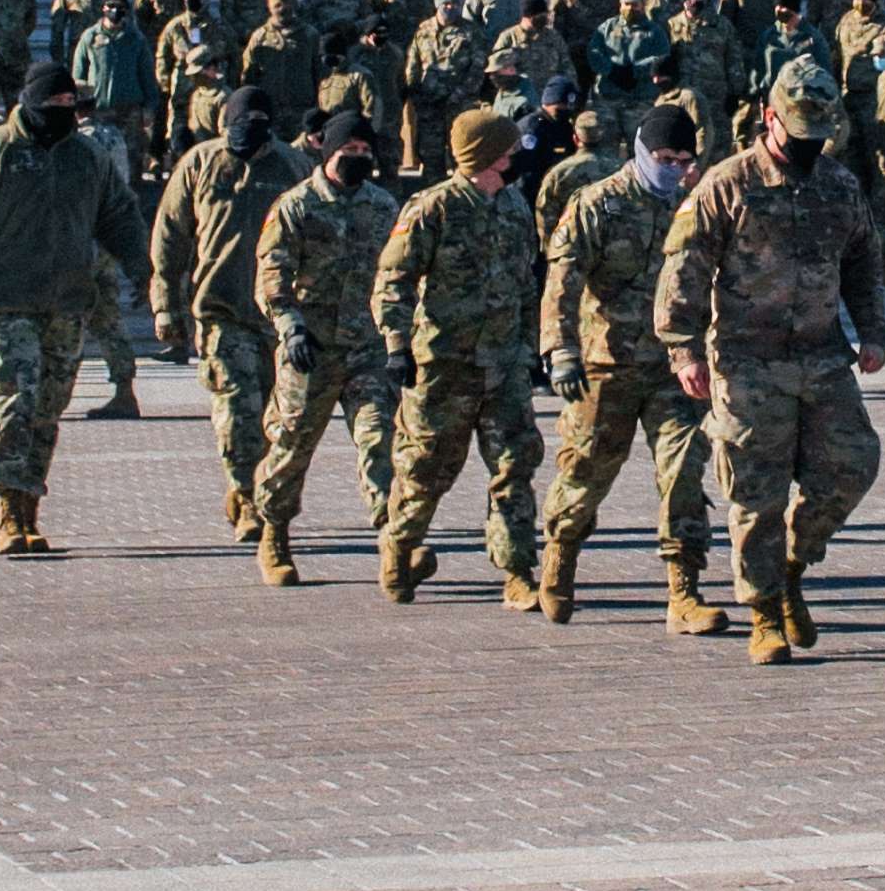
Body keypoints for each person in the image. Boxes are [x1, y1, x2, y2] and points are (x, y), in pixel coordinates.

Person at [658, 57, 885, 665]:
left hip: (821, 355)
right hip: (747, 359)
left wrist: (873, 331)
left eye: (821, 134)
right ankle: (764, 612)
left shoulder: (839, 184)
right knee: (754, 493)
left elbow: (864, 259)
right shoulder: (727, 183)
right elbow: (684, 268)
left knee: (855, 462)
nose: (811, 145)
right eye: (799, 132)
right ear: (769, 118)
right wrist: (683, 348)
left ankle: (794, 560)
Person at [0, 67, 136, 555]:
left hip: (68, 300)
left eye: (72, 102)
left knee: (48, 408)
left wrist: (144, 269)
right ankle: (8, 506)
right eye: (56, 103)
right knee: (14, 402)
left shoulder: (87, 158)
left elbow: (119, 214)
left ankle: (30, 505)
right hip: (9, 300)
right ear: (31, 103)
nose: (65, 112)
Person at [539, 93, 721, 629]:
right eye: (667, 162)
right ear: (642, 153)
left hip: (675, 368)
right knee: (586, 471)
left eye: (684, 163)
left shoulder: (695, 207)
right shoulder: (597, 203)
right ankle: (560, 559)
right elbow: (563, 280)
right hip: (606, 365)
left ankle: (684, 591)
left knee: (685, 470)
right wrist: (561, 351)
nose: (676, 171)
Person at [373, 106, 554, 607]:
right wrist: (396, 345)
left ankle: (517, 570)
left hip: (504, 365)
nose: (519, 155)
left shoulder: (516, 206)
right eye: (510, 148)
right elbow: (393, 281)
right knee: (425, 466)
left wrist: (531, 347)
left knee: (515, 465)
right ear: (488, 155)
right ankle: (400, 550)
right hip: (443, 367)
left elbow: (526, 285)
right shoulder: (432, 208)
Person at [249, 112, 399, 586]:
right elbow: (272, 272)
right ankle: (274, 531)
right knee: (292, 445)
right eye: (346, 152)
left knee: (378, 441)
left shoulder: (383, 206)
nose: (356, 159)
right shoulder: (296, 205)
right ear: (326, 153)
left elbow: (401, 272)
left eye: (363, 152)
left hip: (366, 349)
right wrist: (289, 325)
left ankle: (393, 538)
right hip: (309, 349)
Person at [156, 83, 303, 535]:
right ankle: (246, 499)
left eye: (258, 125)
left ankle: (261, 488)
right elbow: (170, 237)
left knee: (278, 420)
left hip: (278, 315)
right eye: (242, 124)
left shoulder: (292, 165)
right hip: (221, 309)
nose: (249, 133)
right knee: (238, 412)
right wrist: (166, 305)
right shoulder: (201, 163)